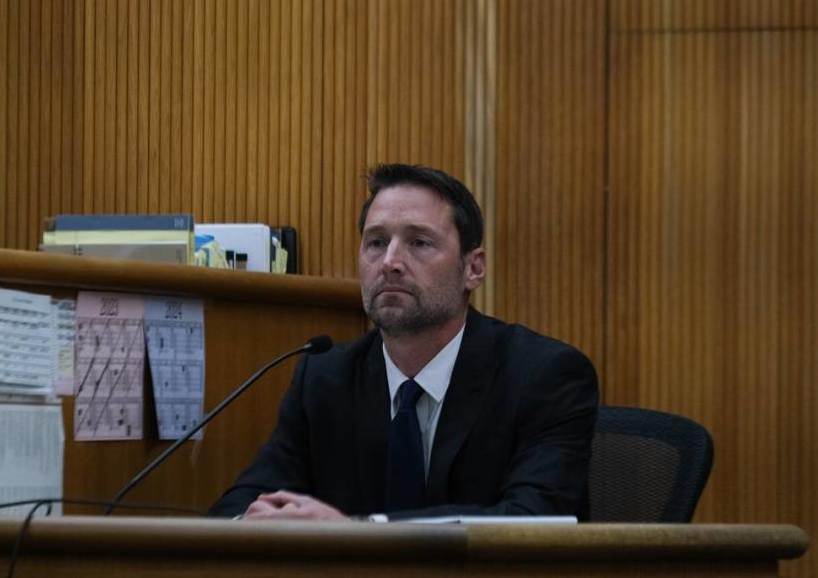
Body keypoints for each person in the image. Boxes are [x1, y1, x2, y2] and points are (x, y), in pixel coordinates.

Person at [210, 164, 598, 521]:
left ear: (473, 269)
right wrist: (251, 522)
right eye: (376, 242)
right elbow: (241, 505)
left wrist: (359, 532)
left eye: (419, 243)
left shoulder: (544, 376)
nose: (390, 262)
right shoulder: (325, 377)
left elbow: (533, 520)